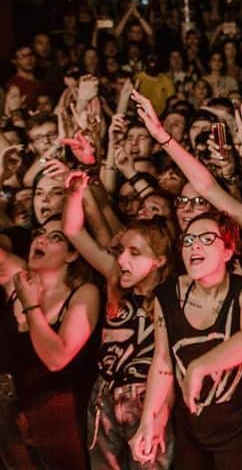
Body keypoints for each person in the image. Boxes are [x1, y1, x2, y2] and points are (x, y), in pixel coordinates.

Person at [131, 211, 242, 470]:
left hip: (240, 431)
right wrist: (150, 419)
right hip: (191, 429)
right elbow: (163, 362)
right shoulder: (167, 295)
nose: (195, 245)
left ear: (227, 252)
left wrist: (198, 367)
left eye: (206, 238)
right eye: (189, 239)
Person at [61, 170, 174, 470]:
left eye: (135, 253)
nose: (123, 259)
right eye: (123, 250)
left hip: (147, 396)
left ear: (160, 260)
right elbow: (73, 231)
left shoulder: (173, 292)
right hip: (105, 392)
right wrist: (75, 194)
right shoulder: (114, 276)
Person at [0, 215, 101, 470]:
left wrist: (31, 305)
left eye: (55, 237)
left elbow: (56, 359)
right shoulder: (19, 284)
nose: (41, 239)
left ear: (72, 255)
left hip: (58, 417)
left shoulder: (84, 293)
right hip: (10, 414)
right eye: (39, 233)